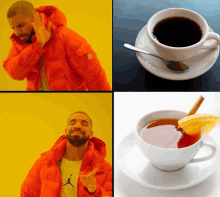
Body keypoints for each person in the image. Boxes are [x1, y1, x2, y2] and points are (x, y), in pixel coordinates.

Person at [4, 1, 111, 91]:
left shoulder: (66, 38)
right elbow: (14, 73)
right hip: (38, 106)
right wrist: (38, 45)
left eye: (21, 25)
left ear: (34, 17)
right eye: (13, 28)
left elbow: (94, 76)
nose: (17, 32)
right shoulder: (22, 40)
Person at [20, 111, 112, 197]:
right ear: (66, 131)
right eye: (72, 123)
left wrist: (94, 190)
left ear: (91, 134)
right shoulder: (45, 163)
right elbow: (27, 194)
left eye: (84, 124)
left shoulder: (106, 169)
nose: (77, 126)